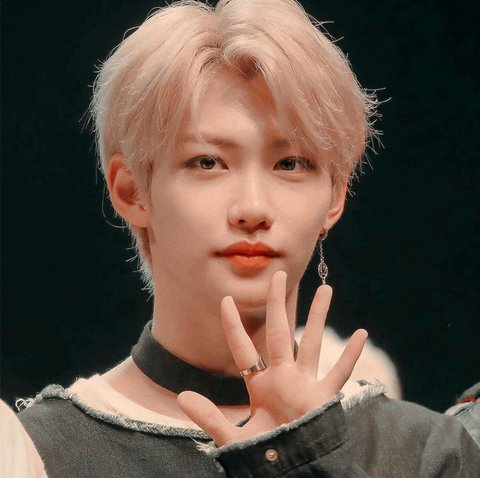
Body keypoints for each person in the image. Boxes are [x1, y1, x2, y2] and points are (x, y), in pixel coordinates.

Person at [15, 0, 480, 476]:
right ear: (131, 191)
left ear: (335, 195)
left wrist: (304, 456)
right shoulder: (37, 454)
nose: (253, 209)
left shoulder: (426, 452)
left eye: (290, 163)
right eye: (208, 162)